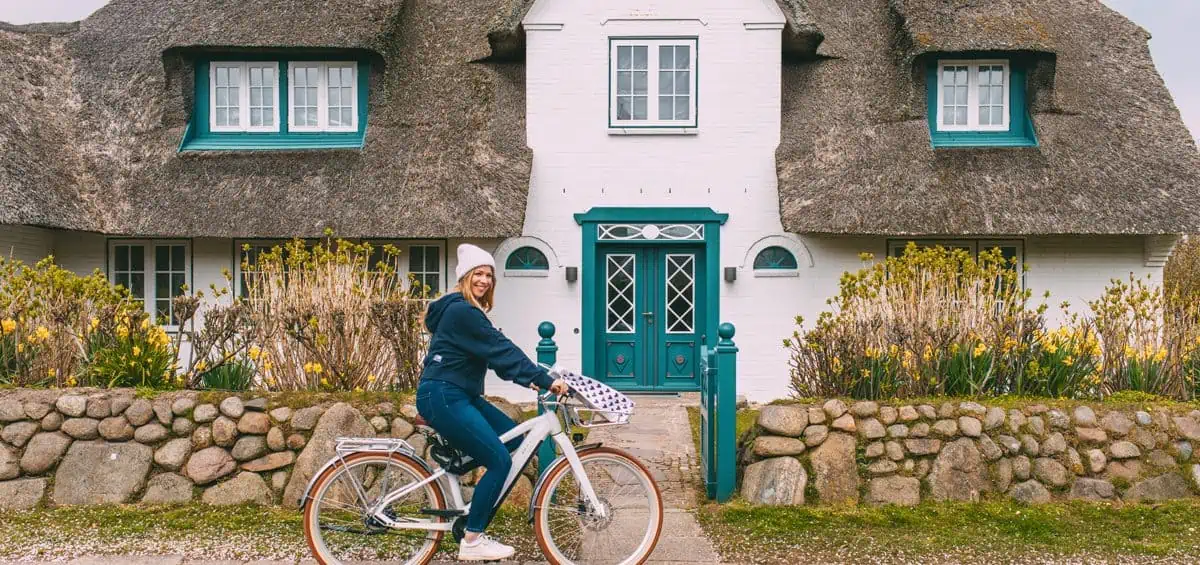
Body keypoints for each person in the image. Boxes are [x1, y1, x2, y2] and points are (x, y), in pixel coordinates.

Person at [415, 243, 569, 561]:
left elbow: (496, 358)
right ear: (465, 277)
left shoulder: (466, 312)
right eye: (478, 273)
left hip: (456, 394)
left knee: (515, 440)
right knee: (499, 460)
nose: (484, 280)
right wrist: (544, 380)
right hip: (445, 396)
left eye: (489, 275)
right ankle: (472, 541)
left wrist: (529, 379)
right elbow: (501, 348)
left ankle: (460, 473)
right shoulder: (463, 311)